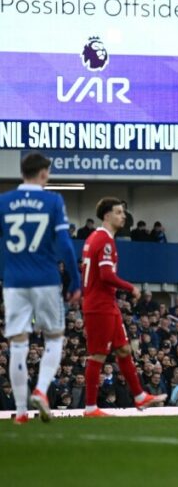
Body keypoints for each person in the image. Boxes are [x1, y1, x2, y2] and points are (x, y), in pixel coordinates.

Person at [0, 153, 81, 424]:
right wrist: (75, 280)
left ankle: (21, 412)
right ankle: (41, 389)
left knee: (19, 343)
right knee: (55, 337)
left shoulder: (4, 201)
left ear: (22, 171)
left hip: (14, 282)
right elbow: (66, 245)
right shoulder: (52, 201)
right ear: (44, 173)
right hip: (46, 278)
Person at [81, 197, 166, 417]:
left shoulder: (94, 238)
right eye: (119, 212)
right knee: (98, 355)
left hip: (105, 303)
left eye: (123, 212)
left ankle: (139, 396)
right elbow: (106, 275)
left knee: (124, 349)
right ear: (107, 215)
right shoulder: (104, 240)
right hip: (100, 305)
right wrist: (131, 288)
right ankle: (90, 407)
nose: (123, 216)